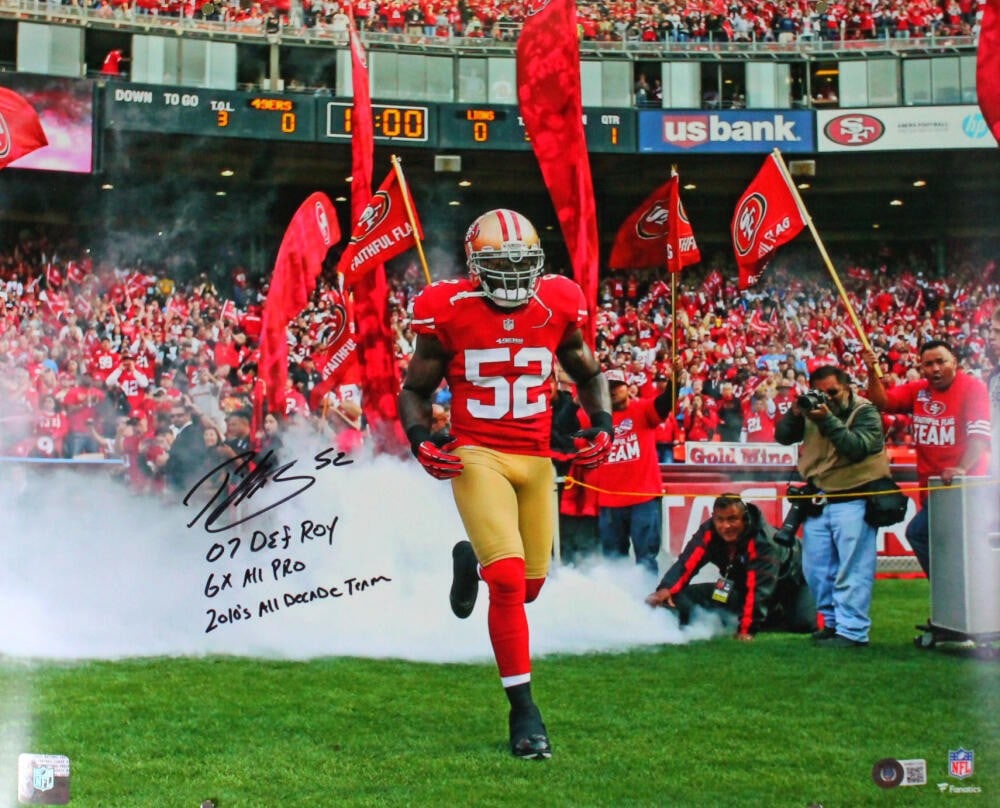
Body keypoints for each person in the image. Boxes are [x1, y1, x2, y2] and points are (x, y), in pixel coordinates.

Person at [398, 209, 614, 761]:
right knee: (512, 583)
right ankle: (525, 712)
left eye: (523, 265)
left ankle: (472, 558)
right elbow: (414, 390)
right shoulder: (446, 308)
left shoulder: (559, 301)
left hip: (536, 459)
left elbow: (588, 373)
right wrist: (422, 439)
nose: (515, 277)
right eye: (501, 264)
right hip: (479, 454)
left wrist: (604, 424)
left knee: (530, 587)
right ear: (475, 266)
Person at [775, 364, 891, 647]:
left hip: (855, 496)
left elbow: (857, 448)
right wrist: (795, 412)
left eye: (833, 392)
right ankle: (831, 623)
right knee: (816, 570)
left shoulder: (865, 411)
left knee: (853, 568)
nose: (827, 398)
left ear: (847, 387)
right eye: (820, 393)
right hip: (818, 497)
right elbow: (782, 437)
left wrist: (827, 420)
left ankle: (852, 630)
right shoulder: (811, 410)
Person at [861, 341, 991, 577]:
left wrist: (961, 468)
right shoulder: (918, 390)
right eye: (928, 364)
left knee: (920, 534)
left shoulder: (973, 387)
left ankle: (954, 596)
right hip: (933, 489)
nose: (935, 369)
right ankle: (954, 599)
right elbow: (880, 402)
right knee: (944, 546)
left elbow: (980, 437)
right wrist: (872, 371)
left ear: (955, 363)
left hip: (964, 488)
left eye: (941, 361)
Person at [645, 494, 816, 640]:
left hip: (793, 581)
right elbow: (686, 564)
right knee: (681, 595)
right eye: (720, 519)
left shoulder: (763, 542)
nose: (725, 526)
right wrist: (666, 588)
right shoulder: (708, 532)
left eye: (732, 519)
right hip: (741, 584)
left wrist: (746, 631)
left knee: (803, 624)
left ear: (745, 519)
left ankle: (774, 613)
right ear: (713, 517)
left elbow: (760, 590)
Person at [588, 366, 677, 576]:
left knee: (646, 558)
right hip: (610, 502)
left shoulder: (644, 409)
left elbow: (665, 404)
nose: (612, 391)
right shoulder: (595, 418)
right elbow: (567, 421)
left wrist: (676, 383)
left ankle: (646, 604)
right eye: (607, 388)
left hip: (643, 498)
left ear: (628, 388)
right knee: (613, 560)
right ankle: (620, 604)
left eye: (617, 386)